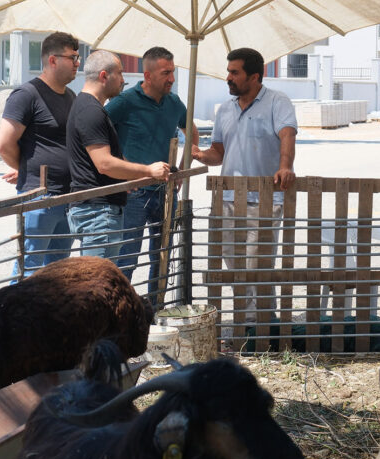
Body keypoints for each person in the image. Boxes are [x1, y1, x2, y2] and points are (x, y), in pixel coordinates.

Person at [192, 47, 297, 352]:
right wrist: (198, 153)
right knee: (234, 263)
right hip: (227, 200)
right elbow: (218, 154)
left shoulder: (278, 102)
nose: (229, 77)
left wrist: (285, 165)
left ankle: (255, 327)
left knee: (256, 264)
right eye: (229, 71)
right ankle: (258, 322)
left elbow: (287, 135)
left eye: (235, 72)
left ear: (254, 76)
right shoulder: (224, 109)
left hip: (263, 200)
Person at [106, 46, 198, 300]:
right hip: (133, 194)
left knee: (162, 259)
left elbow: (192, 133)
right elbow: (98, 131)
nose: (172, 78)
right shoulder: (124, 102)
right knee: (127, 258)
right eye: (166, 73)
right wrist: (121, 168)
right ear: (147, 75)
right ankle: (118, 314)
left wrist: (183, 170)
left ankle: (155, 312)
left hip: (166, 192)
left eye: (173, 72)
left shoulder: (174, 102)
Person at [66, 50, 170, 260]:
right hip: (98, 212)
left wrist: (130, 175)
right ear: (104, 76)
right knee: (97, 286)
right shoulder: (90, 110)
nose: (124, 80)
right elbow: (104, 163)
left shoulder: (90, 107)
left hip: (97, 211)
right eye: (120, 74)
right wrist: (148, 170)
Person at [0, 32, 81, 278]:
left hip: (66, 196)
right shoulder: (27, 95)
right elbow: (4, 144)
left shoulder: (70, 96)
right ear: (53, 60)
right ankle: (11, 316)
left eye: (78, 58)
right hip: (39, 197)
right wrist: (26, 167)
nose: (78, 63)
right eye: (73, 57)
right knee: (29, 268)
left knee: (58, 272)